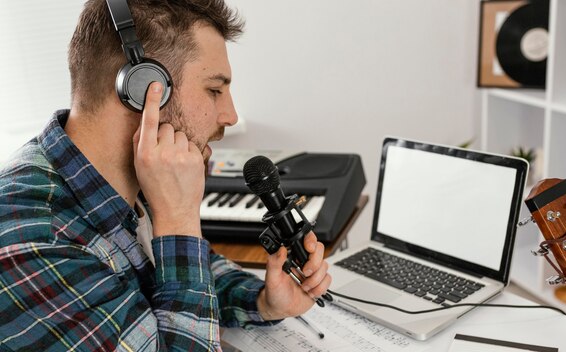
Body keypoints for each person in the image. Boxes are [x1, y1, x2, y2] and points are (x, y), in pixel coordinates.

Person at [0, 0, 331, 350]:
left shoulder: (125, 174)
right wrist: (179, 219)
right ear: (144, 90)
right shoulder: (36, 243)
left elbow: (177, 274)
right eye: (214, 90)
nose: (230, 115)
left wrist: (262, 302)